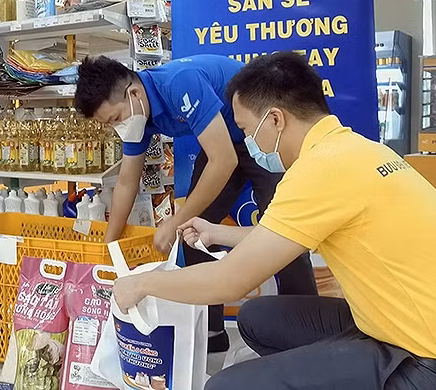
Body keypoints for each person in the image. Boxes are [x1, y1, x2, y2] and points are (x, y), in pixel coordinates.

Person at [113, 52, 436, 389]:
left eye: (246, 130)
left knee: (224, 386)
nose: (249, 144)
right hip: (385, 321)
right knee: (257, 318)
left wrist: (141, 283)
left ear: (276, 120)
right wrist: (217, 232)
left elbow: (230, 281)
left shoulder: (320, 170)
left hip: (421, 355)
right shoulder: (358, 149)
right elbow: (284, 232)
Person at [74, 54, 316, 351]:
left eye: (115, 119)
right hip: (223, 141)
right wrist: (107, 250)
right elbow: (126, 181)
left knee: (285, 236)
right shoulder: (136, 115)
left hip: (259, 136)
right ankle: (211, 334)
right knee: (192, 235)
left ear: (134, 93)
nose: (118, 127)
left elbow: (223, 160)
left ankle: (306, 336)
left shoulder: (178, 82)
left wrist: (174, 221)